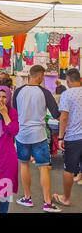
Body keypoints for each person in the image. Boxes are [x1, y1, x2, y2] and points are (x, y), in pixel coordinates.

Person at [13, 65, 61, 212]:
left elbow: (15, 113)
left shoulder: (18, 92)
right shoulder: (45, 93)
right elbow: (56, 114)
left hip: (21, 134)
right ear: (40, 76)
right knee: (43, 167)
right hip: (38, 135)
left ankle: (27, 198)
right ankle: (47, 203)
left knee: (24, 165)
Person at [53, 69, 82, 207]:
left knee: (69, 169)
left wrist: (60, 138)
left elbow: (63, 117)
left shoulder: (67, 94)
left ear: (68, 81)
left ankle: (66, 198)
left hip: (73, 138)